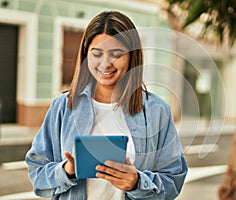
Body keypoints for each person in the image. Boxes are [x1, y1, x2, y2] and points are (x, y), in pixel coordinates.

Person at [25, 11, 187, 200]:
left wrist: (136, 183)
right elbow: (37, 173)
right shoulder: (63, 107)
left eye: (116, 54)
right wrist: (66, 170)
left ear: (132, 56)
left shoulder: (156, 111)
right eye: (97, 53)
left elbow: (174, 179)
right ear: (86, 56)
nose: (105, 63)